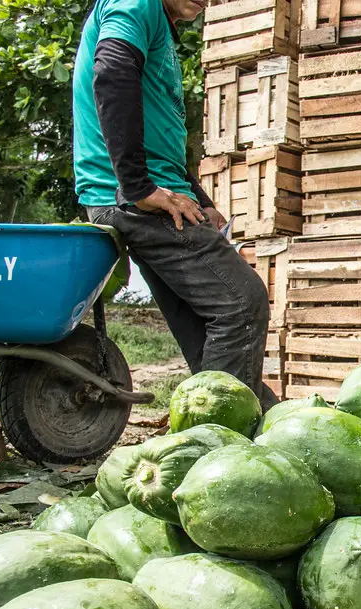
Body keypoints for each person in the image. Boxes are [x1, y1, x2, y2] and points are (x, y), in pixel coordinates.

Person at [72, 0, 277, 408]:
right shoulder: (137, 3)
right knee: (240, 303)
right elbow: (111, 74)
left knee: (207, 321)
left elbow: (159, 137)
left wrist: (200, 199)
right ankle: (215, 437)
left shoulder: (159, 25)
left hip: (145, 195)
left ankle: (251, 419)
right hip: (130, 199)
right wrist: (138, 188)